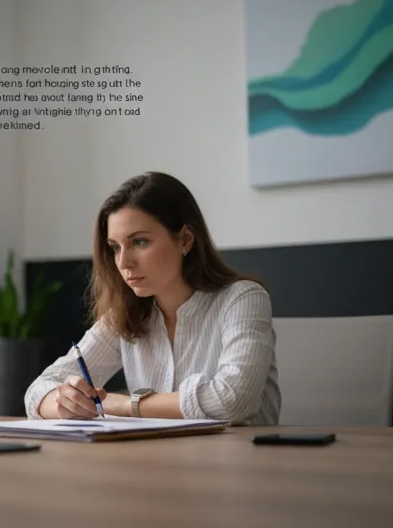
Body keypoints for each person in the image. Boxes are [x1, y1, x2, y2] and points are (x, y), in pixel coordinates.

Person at [24, 171, 281, 425]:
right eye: (115, 247)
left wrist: (127, 405)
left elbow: (233, 399)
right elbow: (37, 391)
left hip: (238, 452)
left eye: (139, 242)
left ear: (186, 240)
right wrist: (66, 403)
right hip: (155, 453)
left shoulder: (243, 299)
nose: (123, 262)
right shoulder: (124, 314)